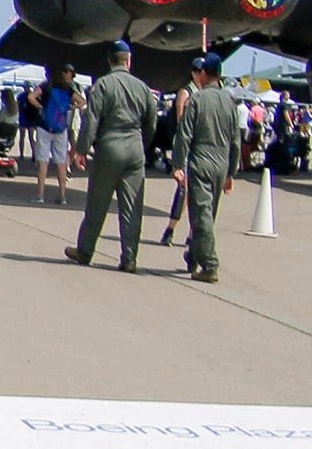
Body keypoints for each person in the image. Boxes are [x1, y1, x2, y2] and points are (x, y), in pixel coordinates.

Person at [66, 40, 159, 270]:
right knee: (132, 207)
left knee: (97, 203)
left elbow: (91, 120)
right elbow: (152, 122)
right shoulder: (143, 87)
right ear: (129, 60)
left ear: (110, 60)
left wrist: (81, 150)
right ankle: (129, 258)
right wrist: (142, 144)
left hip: (109, 147)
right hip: (135, 147)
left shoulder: (102, 86)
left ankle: (85, 251)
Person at [172, 53, 244, 282]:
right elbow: (236, 142)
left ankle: (210, 265)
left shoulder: (198, 100)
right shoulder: (230, 103)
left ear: (203, 74)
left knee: (200, 215)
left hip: (201, 160)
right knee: (208, 214)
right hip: (221, 163)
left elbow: (184, 135)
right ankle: (193, 256)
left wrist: (177, 164)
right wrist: (231, 173)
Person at [31, 63, 77, 204]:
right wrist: (69, 107)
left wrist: (40, 107)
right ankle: (62, 196)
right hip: (61, 127)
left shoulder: (46, 86)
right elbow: (82, 101)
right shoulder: (68, 88)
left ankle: (40, 195)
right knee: (61, 163)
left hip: (45, 126)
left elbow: (31, 97)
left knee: (43, 162)